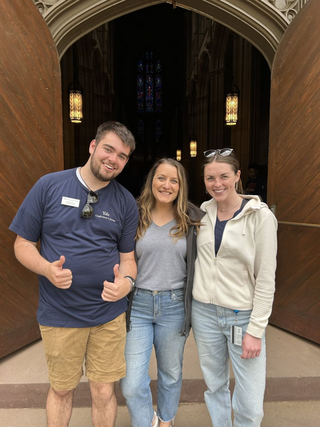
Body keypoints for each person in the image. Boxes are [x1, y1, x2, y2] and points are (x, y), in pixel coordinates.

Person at [9, 121, 139, 427]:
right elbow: (22, 244)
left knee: (104, 391)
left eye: (122, 156)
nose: (113, 159)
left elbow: (129, 259)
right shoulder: (49, 186)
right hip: (60, 314)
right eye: (108, 149)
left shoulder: (125, 203)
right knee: (62, 389)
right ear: (93, 147)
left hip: (108, 315)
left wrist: (127, 283)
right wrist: (46, 269)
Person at [191, 148, 277, 427]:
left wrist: (256, 329)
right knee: (215, 386)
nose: (217, 184)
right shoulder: (201, 214)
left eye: (224, 176)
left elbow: (265, 278)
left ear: (238, 176)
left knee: (251, 404)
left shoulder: (260, 217)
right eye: (210, 178)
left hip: (242, 317)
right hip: (204, 313)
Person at [120, 158, 203, 427]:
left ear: (181, 186)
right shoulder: (133, 213)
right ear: (151, 181)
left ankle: (166, 421)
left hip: (174, 305)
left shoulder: (193, 218)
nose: (166, 185)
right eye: (161, 178)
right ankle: (147, 422)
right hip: (139, 304)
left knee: (170, 373)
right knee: (131, 382)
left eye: (174, 180)